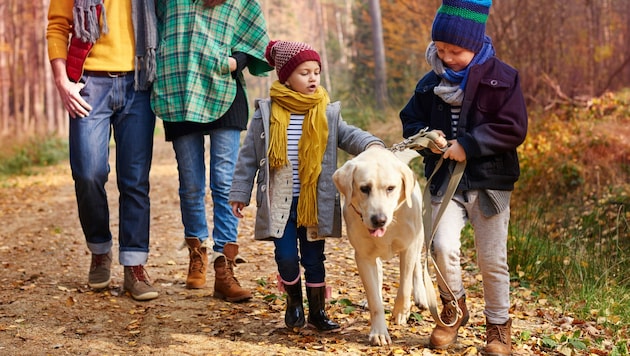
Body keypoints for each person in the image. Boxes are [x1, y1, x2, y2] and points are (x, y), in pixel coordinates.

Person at [229, 40, 385, 331]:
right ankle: (294, 303)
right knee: (286, 256)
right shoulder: (266, 112)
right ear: (286, 77)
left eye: (316, 71)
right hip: (280, 200)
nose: (313, 78)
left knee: (315, 258)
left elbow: (348, 135)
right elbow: (248, 156)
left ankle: (317, 312)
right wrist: (240, 192)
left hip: (315, 200)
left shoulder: (326, 111)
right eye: (304, 72)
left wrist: (373, 144)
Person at [399, 0, 527, 354]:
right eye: (440, 49)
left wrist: (468, 145)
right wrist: (429, 139)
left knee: (492, 260)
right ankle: (452, 310)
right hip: (445, 182)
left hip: (490, 184)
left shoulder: (504, 78)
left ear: (476, 44)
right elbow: (410, 120)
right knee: (441, 246)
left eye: (456, 50)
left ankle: (498, 329)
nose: (447, 57)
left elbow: (513, 128)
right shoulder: (429, 84)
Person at [151, 0, 272, 302]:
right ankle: (197, 253)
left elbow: (252, 35)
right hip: (179, 90)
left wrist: (235, 62)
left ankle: (224, 266)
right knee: (191, 184)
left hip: (223, 91)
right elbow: (151, 28)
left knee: (223, 181)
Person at [46, 0, 159, 301]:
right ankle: (100, 250)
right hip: (88, 83)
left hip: (139, 80)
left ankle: (134, 266)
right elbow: (57, 26)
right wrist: (62, 81)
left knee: (135, 180)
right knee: (87, 173)